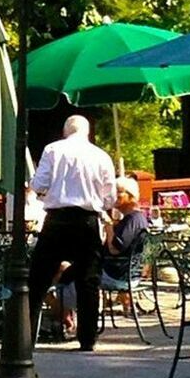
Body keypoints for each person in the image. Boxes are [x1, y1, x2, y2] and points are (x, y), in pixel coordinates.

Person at [26, 114, 118, 352]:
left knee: (37, 280)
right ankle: (87, 339)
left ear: (66, 131)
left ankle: (25, 337)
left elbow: (38, 185)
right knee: (88, 281)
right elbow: (110, 198)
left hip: (56, 220)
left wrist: (51, 192)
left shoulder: (53, 150)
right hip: (87, 221)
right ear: (87, 132)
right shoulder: (101, 156)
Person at [99, 177, 151, 288]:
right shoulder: (136, 218)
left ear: (131, 196)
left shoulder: (132, 220)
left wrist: (109, 227)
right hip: (129, 274)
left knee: (70, 271)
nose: (114, 195)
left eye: (118, 192)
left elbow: (115, 249)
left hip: (117, 275)